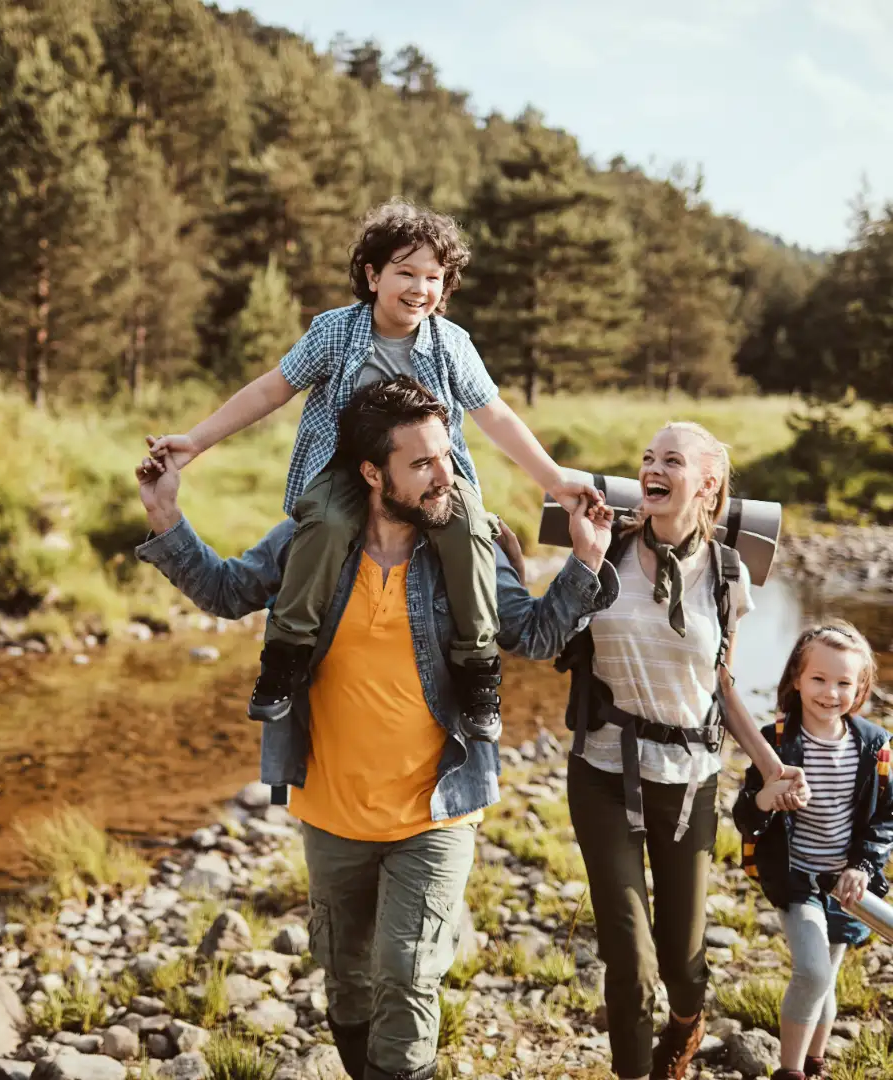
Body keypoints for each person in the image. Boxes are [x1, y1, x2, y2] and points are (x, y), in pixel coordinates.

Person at [135, 377, 618, 1080]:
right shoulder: (312, 542)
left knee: (409, 971)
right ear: (371, 472)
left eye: (445, 455)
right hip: (332, 811)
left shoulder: (467, 549)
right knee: (347, 977)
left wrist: (587, 559)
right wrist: (166, 518)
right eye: (421, 463)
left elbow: (537, 635)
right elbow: (228, 591)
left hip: (437, 808)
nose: (443, 475)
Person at [146, 198, 600, 745]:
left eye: (433, 277)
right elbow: (271, 389)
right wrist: (195, 441)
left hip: (434, 477)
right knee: (327, 524)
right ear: (372, 275)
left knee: (469, 529)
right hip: (343, 470)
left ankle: (477, 666)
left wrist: (553, 479)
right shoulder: (335, 332)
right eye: (405, 272)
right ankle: (286, 653)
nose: (419, 288)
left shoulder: (451, 344)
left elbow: (494, 415)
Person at [558, 421, 810, 1080]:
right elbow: (548, 625)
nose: (652, 468)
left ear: (706, 484)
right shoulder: (607, 548)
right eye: (647, 457)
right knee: (629, 956)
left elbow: (720, 685)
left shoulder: (727, 575)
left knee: (683, 959)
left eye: (671, 460)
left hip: (690, 779)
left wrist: (770, 765)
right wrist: (506, 563)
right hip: (601, 770)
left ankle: (686, 1019)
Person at [734, 622, 893, 1080]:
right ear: (797, 680)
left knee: (828, 979)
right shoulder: (775, 742)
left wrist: (863, 865)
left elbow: (885, 817)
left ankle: (815, 1064)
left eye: (844, 682)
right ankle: (790, 1072)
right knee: (813, 972)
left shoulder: (874, 746)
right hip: (797, 877)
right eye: (819, 679)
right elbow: (746, 815)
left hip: (847, 884)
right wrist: (767, 798)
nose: (830, 693)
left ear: (861, 688)